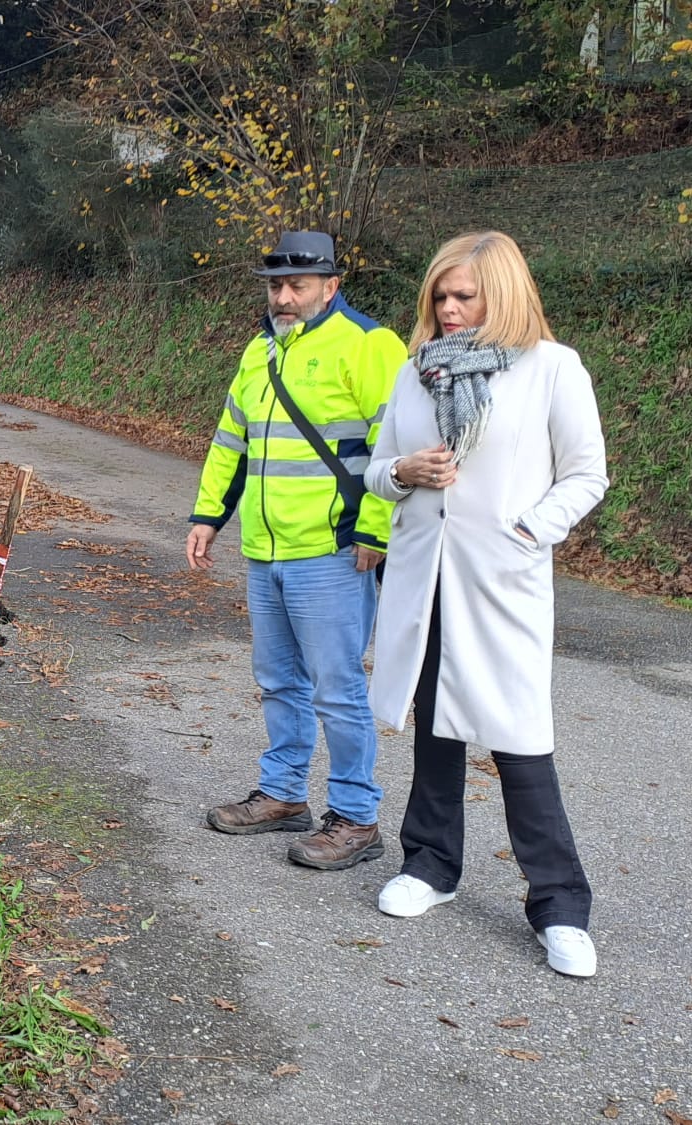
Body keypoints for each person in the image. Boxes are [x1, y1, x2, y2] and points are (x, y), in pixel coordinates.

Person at [361, 231, 609, 978]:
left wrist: (527, 530)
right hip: (421, 578)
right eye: (440, 295)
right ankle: (431, 867)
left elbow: (587, 474)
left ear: (501, 293)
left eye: (464, 294)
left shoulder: (551, 369)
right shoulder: (414, 373)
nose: (449, 308)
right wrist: (402, 471)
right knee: (434, 728)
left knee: (519, 741)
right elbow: (375, 471)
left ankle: (561, 904)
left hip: (500, 582)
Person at [189, 231, 405, 870]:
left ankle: (357, 817)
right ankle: (284, 795)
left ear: (330, 285)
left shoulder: (369, 345)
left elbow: (394, 446)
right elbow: (232, 441)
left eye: (298, 286)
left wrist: (374, 529)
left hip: (333, 552)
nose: (284, 297)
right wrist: (208, 516)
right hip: (266, 550)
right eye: (276, 285)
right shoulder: (259, 351)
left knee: (337, 689)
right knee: (279, 681)